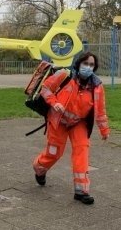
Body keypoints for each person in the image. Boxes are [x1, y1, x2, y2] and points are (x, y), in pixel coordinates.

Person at [32, 51, 110, 204]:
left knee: (82, 151)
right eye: (85, 63)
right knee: (54, 153)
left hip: (78, 123)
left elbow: (100, 111)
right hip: (58, 120)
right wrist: (54, 103)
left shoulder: (97, 86)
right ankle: (39, 168)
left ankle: (81, 191)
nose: (88, 67)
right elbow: (45, 89)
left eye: (91, 65)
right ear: (78, 63)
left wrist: (104, 130)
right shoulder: (64, 75)